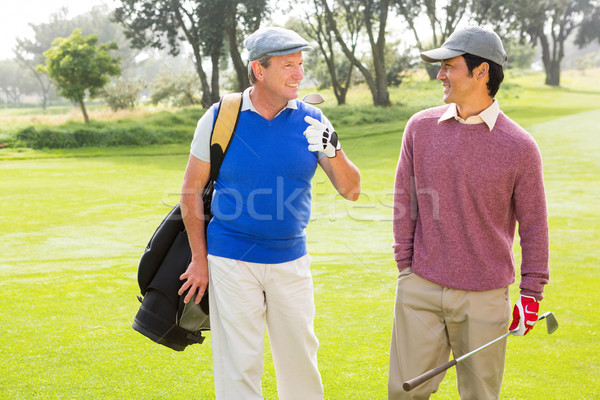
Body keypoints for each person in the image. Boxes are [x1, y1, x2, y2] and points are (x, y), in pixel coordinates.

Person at [177, 26, 361, 400]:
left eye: (300, 65)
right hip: (230, 259)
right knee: (238, 366)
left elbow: (352, 189)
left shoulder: (313, 121)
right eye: (288, 66)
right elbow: (190, 192)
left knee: (300, 363)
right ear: (259, 71)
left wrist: (332, 149)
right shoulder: (219, 118)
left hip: (290, 261)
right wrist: (199, 259)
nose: (299, 74)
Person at [388, 26, 550, 400]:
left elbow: (534, 226)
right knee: (403, 394)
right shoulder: (420, 127)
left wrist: (531, 292)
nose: (440, 74)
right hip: (421, 287)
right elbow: (404, 201)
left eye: (449, 66)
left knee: (480, 397)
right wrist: (406, 268)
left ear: (481, 72)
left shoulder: (520, 147)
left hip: (485, 297)